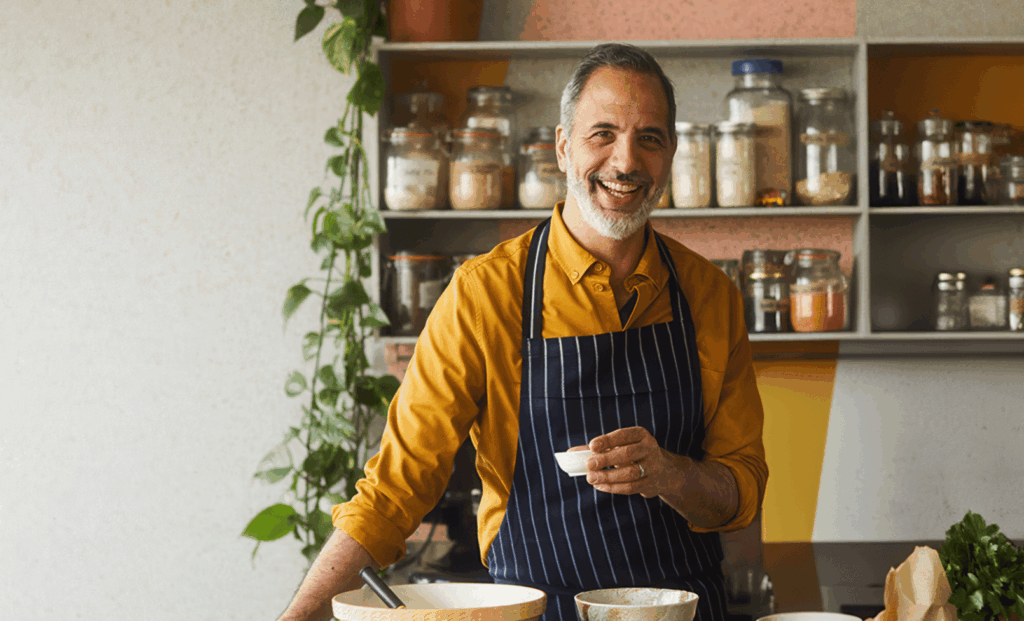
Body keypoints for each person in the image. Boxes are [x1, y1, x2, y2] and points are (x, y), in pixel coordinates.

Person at [277, 42, 768, 621]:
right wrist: (298, 617)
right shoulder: (485, 294)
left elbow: (740, 490)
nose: (626, 161)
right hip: (534, 612)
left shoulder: (710, 296)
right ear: (562, 147)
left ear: (671, 154)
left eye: (650, 138)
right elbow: (392, 492)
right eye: (602, 134)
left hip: (680, 613)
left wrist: (671, 474)